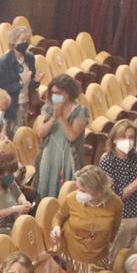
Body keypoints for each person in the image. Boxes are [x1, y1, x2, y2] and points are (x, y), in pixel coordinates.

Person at [34, 77, 89, 205]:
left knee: (66, 194)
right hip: (49, 156)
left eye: (58, 93)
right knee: (44, 193)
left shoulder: (81, 111)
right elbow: (40, 133)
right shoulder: (48, 108)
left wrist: (61, 118)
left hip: (69, 159)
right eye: (53, 93)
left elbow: (72, 136)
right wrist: (53, 117)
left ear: (69, 92)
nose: (55, 96)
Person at [0, 26, 38, 127]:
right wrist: (21, 82)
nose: (25, 42)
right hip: (9, 105)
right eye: (22, 40)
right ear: (13, 41)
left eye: (27, 40)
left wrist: (36, 81)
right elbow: (2, 88)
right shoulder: (4, 61)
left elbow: (31, 81)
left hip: (25, 102)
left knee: (20, 135)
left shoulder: (30, 57)